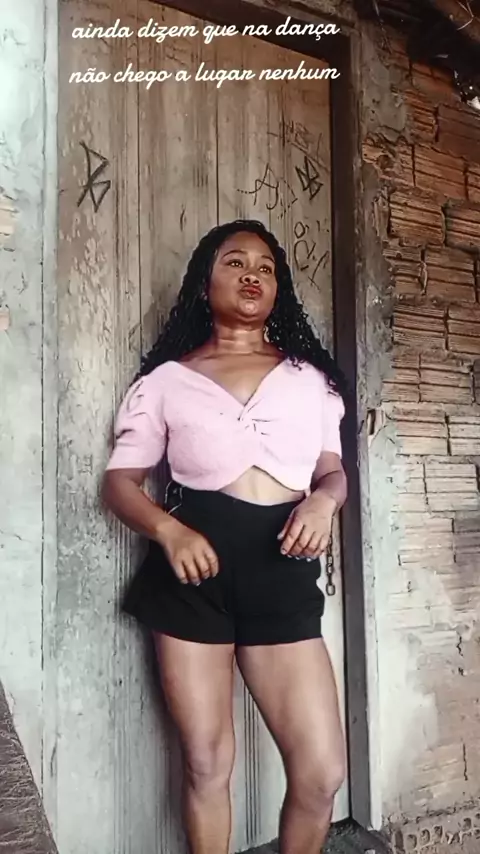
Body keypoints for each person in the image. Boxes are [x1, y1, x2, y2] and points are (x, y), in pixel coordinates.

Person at [102, 219, 348, 854]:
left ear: (279, 287)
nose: (252, 275)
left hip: (282, 572)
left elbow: (332, 472)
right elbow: (120, 484)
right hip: (193, 580)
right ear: (203, 282)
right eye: (235, 263)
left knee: (321, 774)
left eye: (265, 267)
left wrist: (325, 501)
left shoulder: (310, 380)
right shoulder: (165, 383)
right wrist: (168, 530)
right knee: (206, 763)